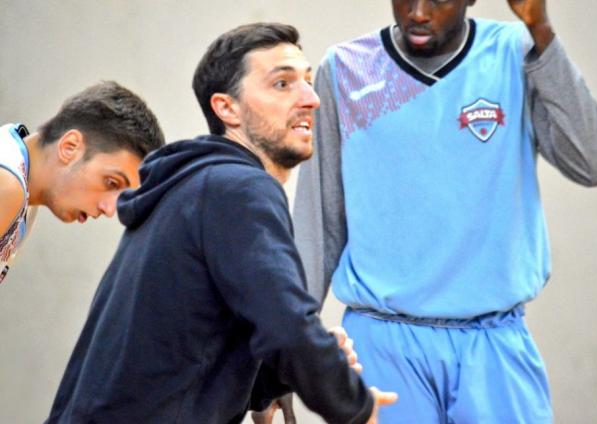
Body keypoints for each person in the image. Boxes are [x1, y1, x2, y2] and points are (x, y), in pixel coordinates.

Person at [45, 23, 396, 424]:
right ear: (227, 109)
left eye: (308, 81)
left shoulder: (193, 190)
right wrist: (354, 406)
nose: (311, 99)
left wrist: (289, 370)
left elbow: (191, 368)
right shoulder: (239, 189)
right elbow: (287, 328)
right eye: (282, 84)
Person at [294, 0, 597, 422]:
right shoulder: (346, 68)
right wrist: (283, 355)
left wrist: (542, 32)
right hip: (383, 341)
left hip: (494, 341)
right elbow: (319, 225)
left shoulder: (515, 52)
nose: (418, 13)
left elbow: (591, 163)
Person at [0, 81, 165, 284]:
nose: (110, 210)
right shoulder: (8, 185)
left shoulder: (17, 166)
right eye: (111, 183)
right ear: (70, 147)